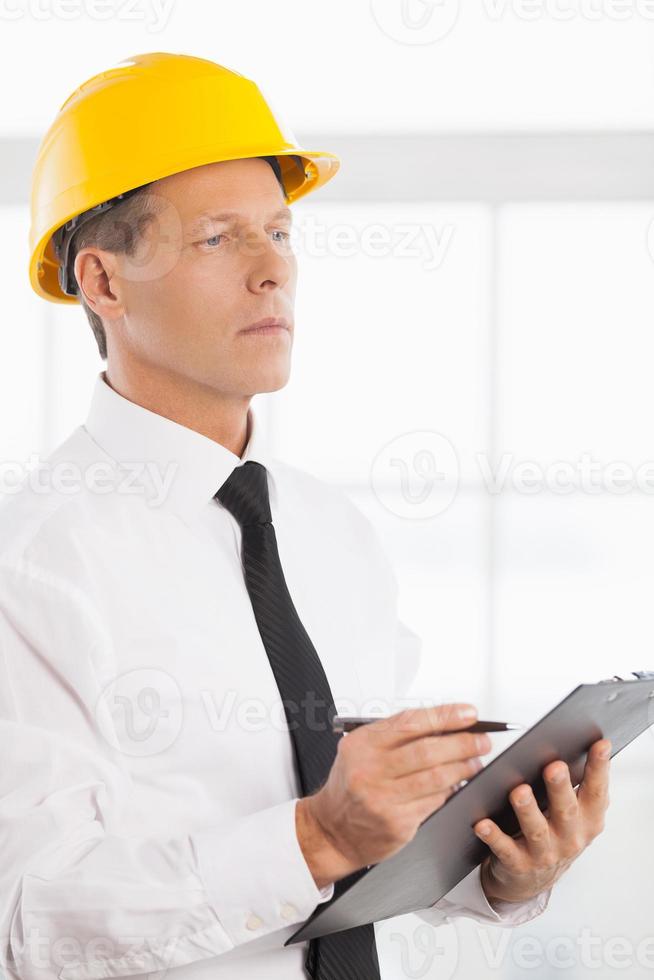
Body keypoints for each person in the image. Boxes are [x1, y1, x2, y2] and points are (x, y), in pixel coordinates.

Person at [0, 52, 611, 980]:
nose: (271, 271)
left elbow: (382, 846)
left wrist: (503, 871)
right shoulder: (34, 562)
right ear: (103, 282)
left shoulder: (332, 535)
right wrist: (311, 839)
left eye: (280, 233)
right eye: (217, 240)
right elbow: (28, 919)